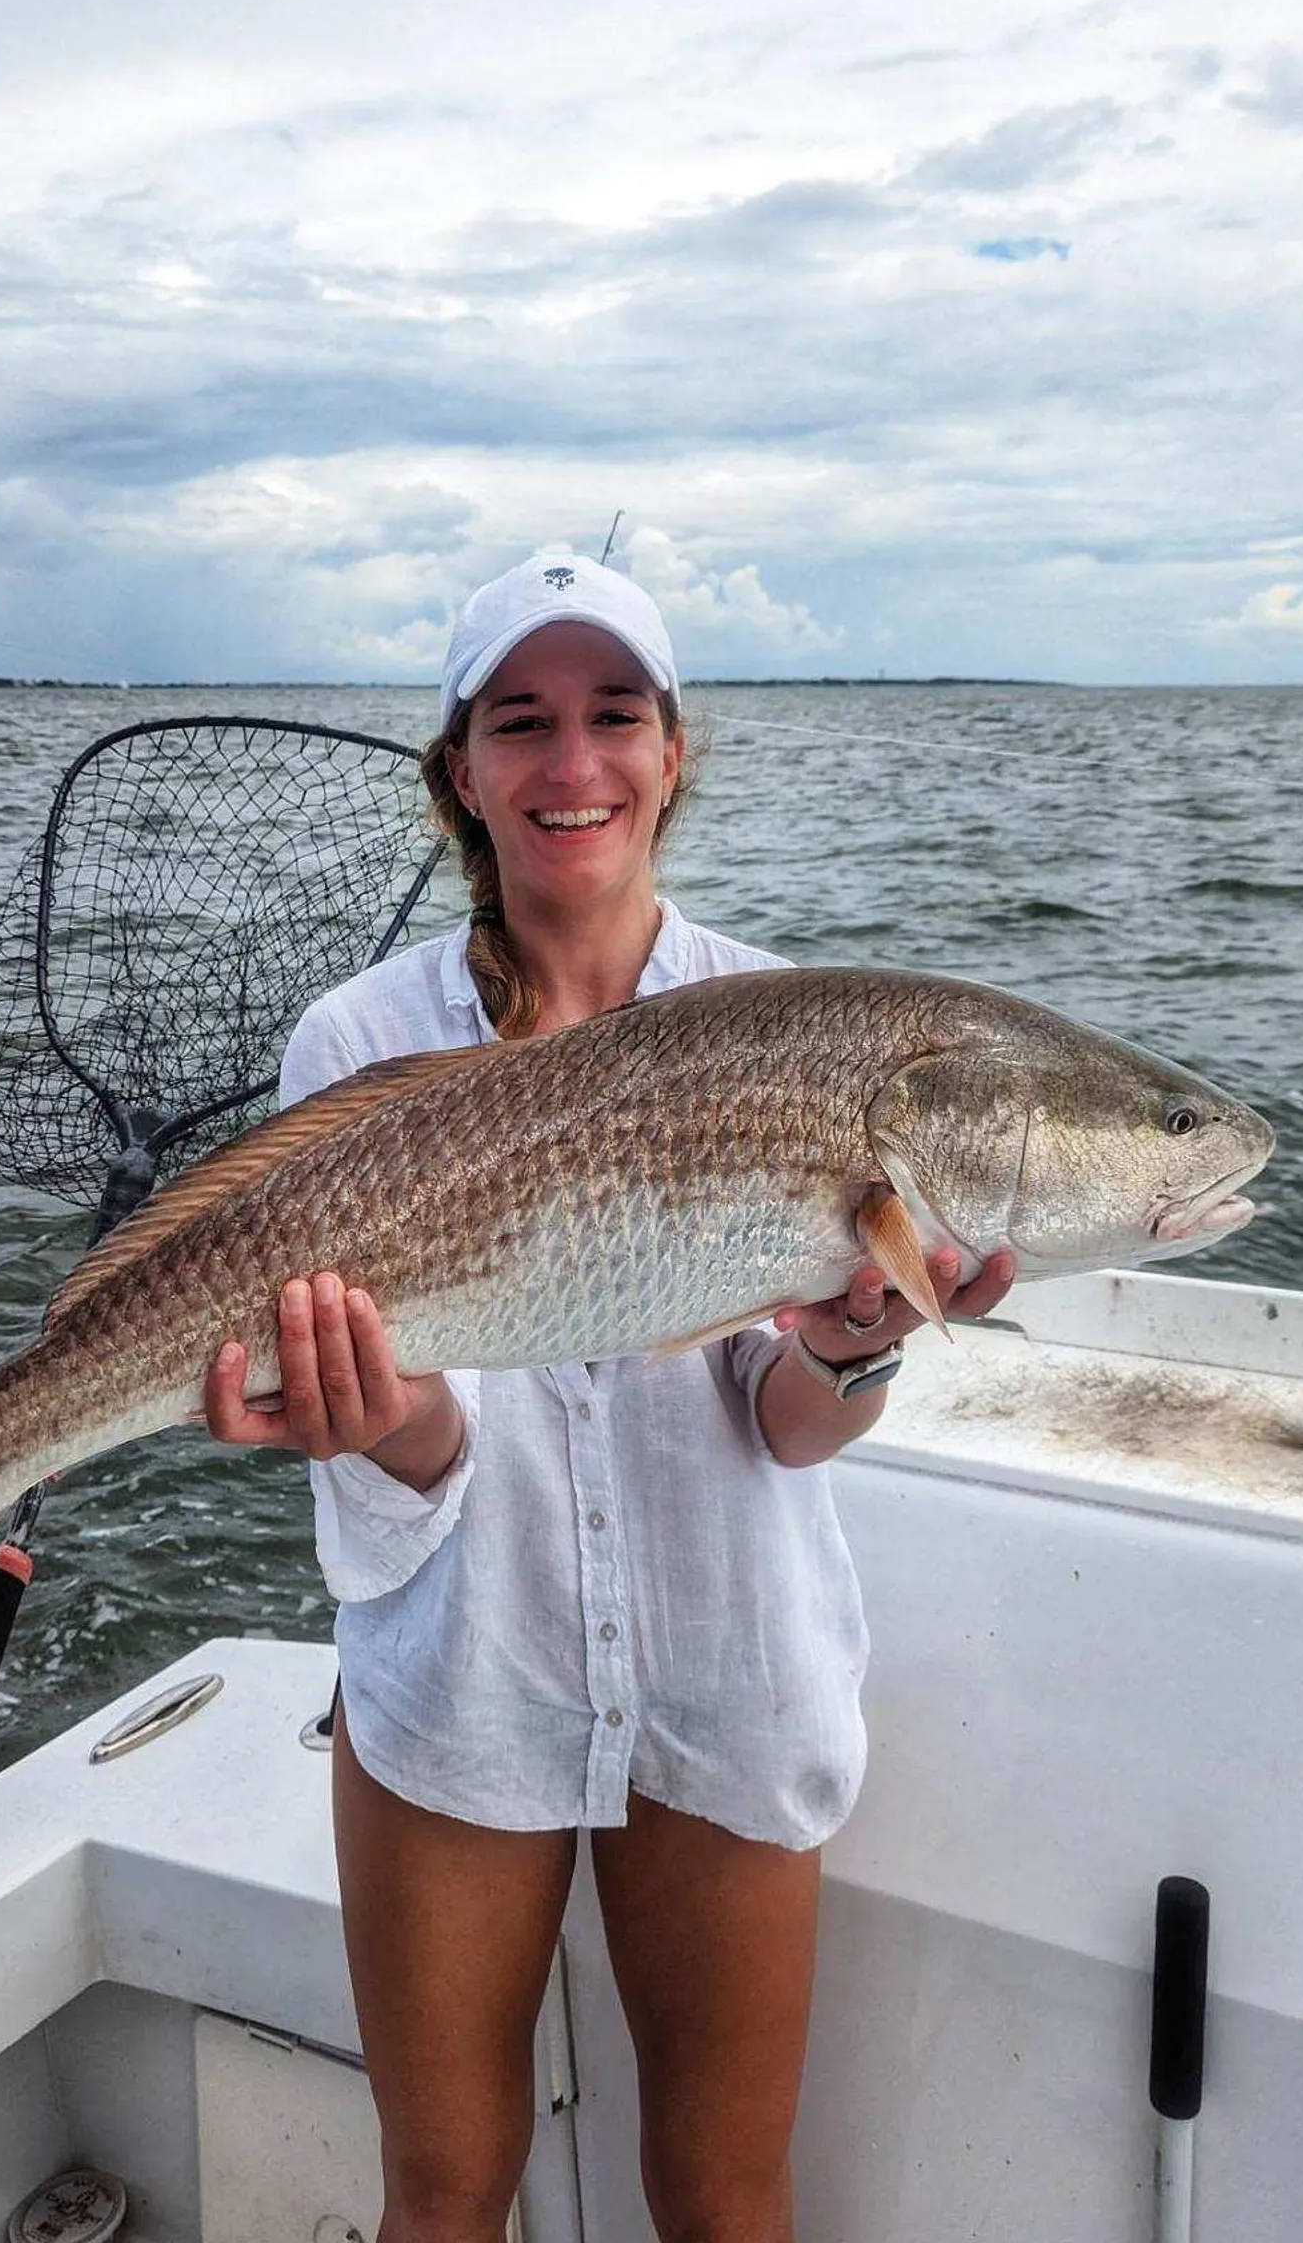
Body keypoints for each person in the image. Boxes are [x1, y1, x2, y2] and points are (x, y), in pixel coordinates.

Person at [204, 552, 1015, 2243]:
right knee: (443, 2192)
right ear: (461, 772)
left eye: (613, 716)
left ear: (671, 750)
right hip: (463, 1674)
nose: (572, 765)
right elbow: (414, 1460)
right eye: (523, 722)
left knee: (725, 2200)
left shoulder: (796, 1024)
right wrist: (389, 1416)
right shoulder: (355, 1042)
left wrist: (856, 1342)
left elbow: (781, 1427)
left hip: (728, 1667)